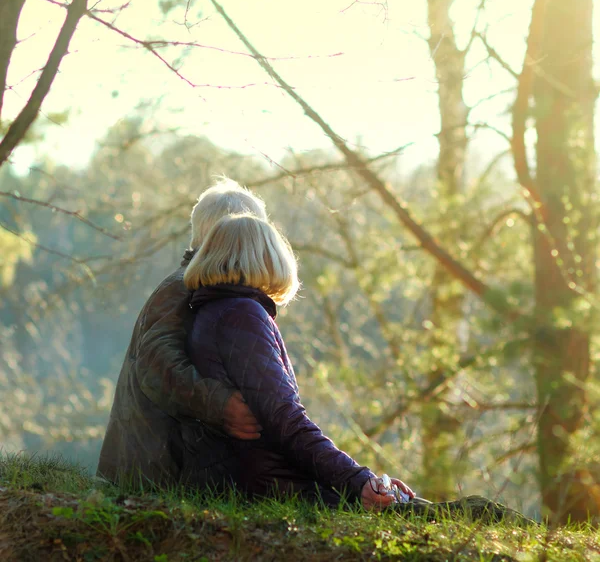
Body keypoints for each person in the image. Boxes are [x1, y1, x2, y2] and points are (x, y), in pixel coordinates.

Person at [181, 212, 415, 509]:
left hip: (244, 479)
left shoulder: (212, 311)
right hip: (268, 487)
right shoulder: (242, 315)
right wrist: (358, 481)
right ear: (264, 257)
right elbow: (285, 420)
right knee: (426, 512)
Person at [97, 178, 268, 487]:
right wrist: (222, 405)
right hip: (153, 477)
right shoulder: (184, 286)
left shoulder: (202, 287)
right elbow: (156, 363)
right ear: (226, 235)